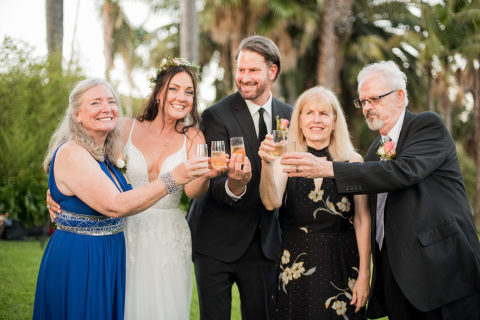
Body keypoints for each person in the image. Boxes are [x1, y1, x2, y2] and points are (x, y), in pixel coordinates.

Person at [281, 61, 480, 320]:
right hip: (398, 281)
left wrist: (329, 169)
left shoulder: (426, 126)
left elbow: (403, 172)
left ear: (400, 97)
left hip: (444, 273)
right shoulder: (375, 150)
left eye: (374, 99)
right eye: (362, 101)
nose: (367, 108)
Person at [46, 59, 223, 319]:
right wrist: (55, 192)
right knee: (122, 301)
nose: (181, 97)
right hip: (127, 227)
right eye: (173, 89)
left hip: (168, 233)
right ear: (159, 93)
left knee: (165, 305)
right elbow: (88, 163)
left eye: (189, 91)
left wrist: (208, 176)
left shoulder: (194, 136)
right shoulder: (125, 127)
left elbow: (193, 191)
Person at [187, 35, 293, 319]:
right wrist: (236, 184)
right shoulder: (216, 115)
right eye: (240, 70)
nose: (244, 77)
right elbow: (215, 180)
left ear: (272, 71)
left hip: (265, 244)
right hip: (215, 242)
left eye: (253, 71)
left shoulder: (289, 117)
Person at [258, 86, 370, 319]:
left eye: (323, 113)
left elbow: (362, 219)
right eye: (309, 113)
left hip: (342, 264)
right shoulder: (285, 160)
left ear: (334, 120)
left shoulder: (353, 161)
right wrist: (267, 165)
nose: (316, 120)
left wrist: (364, 275)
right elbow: (271, 202)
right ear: (299, 120)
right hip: (296, 267)